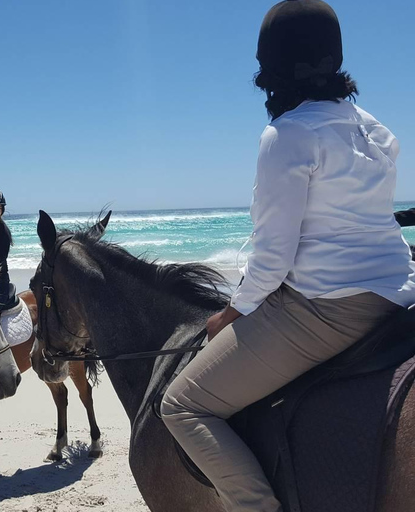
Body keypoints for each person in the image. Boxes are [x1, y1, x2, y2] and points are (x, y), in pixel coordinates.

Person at [159, 2, 415, 511]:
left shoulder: (288, 135)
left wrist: (230, 314)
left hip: (325, 309)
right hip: (397, 294)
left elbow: (274, 258)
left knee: (183, 405)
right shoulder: (376, 130)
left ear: (271, 72)